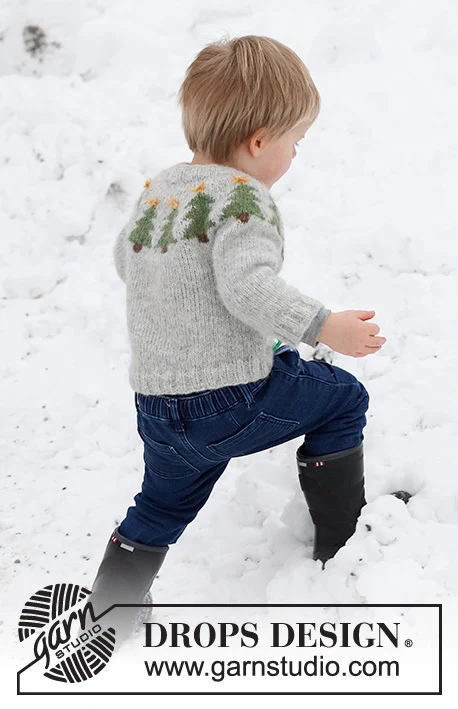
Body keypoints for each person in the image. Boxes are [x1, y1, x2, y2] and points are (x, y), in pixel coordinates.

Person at [88, 35, 390, 645]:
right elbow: (248, 288)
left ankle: (109, 617)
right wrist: (324, 325)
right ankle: (341, 542)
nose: (295, 154)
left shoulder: (159, 192)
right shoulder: (245, 199)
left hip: (158, 408)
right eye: (295, 141)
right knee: (342, 398)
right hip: (231, 402)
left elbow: (127, 262)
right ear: (258, 142)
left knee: (161, 507)